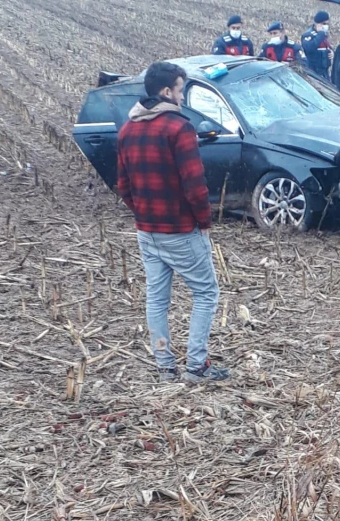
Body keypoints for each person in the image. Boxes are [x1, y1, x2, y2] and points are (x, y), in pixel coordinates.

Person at [117, 62, 229, 384]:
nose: (182, 97)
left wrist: (142, 213)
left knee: (157, 299)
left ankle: (165, 366)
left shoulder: (127, 130)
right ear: (167, 92)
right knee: (206, 292)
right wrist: (204, 222)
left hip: (146, 231)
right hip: (179, 230)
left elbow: (123, 186)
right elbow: (195, 185)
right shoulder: (180, 129)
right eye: (181, 90)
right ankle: (197, 365)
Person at [302, 11, 333, 79]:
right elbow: (309, 48)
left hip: (324, 72)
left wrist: (331, 52)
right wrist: (321, 33)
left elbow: (327, 47)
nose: (325, 26)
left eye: (327, 24)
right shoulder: (308, 35)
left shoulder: (325, 35)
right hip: (313, 72)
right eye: (323, 23)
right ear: (316, 23)